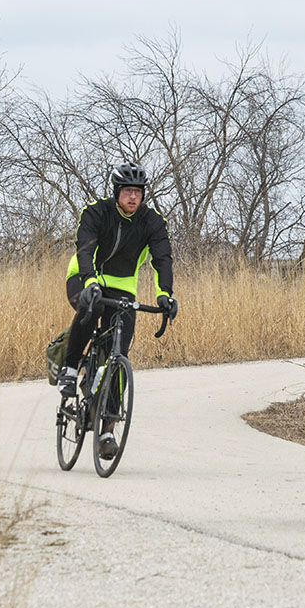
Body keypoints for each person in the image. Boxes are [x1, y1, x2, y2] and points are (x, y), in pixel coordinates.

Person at [57, 162, 177, 456]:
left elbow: (163, 258)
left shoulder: (153, 221)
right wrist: (89, 282)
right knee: (92, 307)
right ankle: (71, 369)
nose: (133, 198)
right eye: (127, 192)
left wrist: (165, 294)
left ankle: (107, 430)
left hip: (123, 286)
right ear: (116, 192)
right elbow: (85, 250)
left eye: (138, 192)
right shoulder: (96, 212)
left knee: (119, 351)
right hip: (85, 278)